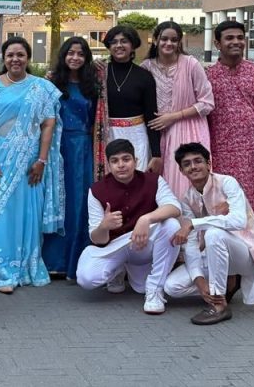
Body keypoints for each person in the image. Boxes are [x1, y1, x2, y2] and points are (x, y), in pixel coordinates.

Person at [0, 36, 63, 293]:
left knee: (29, 214)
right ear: (3, 59)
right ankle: (2, 273)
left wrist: (41, 160)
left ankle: (26, 267)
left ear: (28, 58)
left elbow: (48, 124)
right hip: (1, 161)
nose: (15, 59)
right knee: (1, 214)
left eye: (20, 55)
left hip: (31, 163)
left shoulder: (41, 87)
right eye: (10, 55)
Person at [164, 143, 254, 325]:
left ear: (208, 164)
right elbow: (191, 244)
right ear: (182, 171)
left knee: (213, 234)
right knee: (172, 287)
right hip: (216, 253)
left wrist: (194, 223)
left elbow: (238, 221)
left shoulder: (227, 183)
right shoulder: (187, 198)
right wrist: (199, 281)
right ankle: (223, 287)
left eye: (198, 161)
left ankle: (219, 305)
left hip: (247, 253)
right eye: (187, 164)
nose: (193, 167)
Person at [206, 21, 254, 283]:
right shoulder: (207, 76)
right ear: (217, 43)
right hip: (223, 149)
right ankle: (236, 261)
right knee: (231, 207)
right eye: (229, 38)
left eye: (240, 37)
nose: (236, 42)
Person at [76, 139, 181, 315]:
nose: (121, 165)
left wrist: (146, 219)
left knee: (172, 225)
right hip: (114, 246)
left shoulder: (153, 180)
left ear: (135, 161)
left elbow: (174, 207)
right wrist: (104, 226)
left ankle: (154, 290)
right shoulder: (96, 190)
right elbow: (97, 238)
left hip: (142, 244)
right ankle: (117, 269)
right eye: (115, 161)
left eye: (126, 159)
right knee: (87, 279)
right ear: (108, 165)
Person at [42, 36, 99, 281]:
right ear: (63, 56)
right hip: (56, 147)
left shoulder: (92, 86)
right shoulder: (52, 83)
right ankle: (54, 260)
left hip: (82, 149)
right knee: (56, 200)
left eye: (80, 54)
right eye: (71, 53)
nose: (75, 58)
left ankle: (76, 260)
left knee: (78, 202)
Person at [140, 21, 214, 199]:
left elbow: (207, 103)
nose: (169, 43)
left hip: (188, 129)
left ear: (179, 42)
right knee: (158, 184)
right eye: (164, 39)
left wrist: (174, 116)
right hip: (157, 133)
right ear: (155, 40)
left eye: (174, 40)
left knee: (186, 182)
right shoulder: (146, 67)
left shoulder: (190, 64)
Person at [98, 26, 161, 175]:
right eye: (114, 42)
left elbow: (151, 117)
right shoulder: (99, 74)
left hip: (137, 135)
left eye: (124, 41)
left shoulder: (144, 76)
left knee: (137, 177)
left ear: (132, 45)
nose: (118, 45)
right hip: (108, 134)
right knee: (111, 179)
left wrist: (156, 153)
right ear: (109, 46)